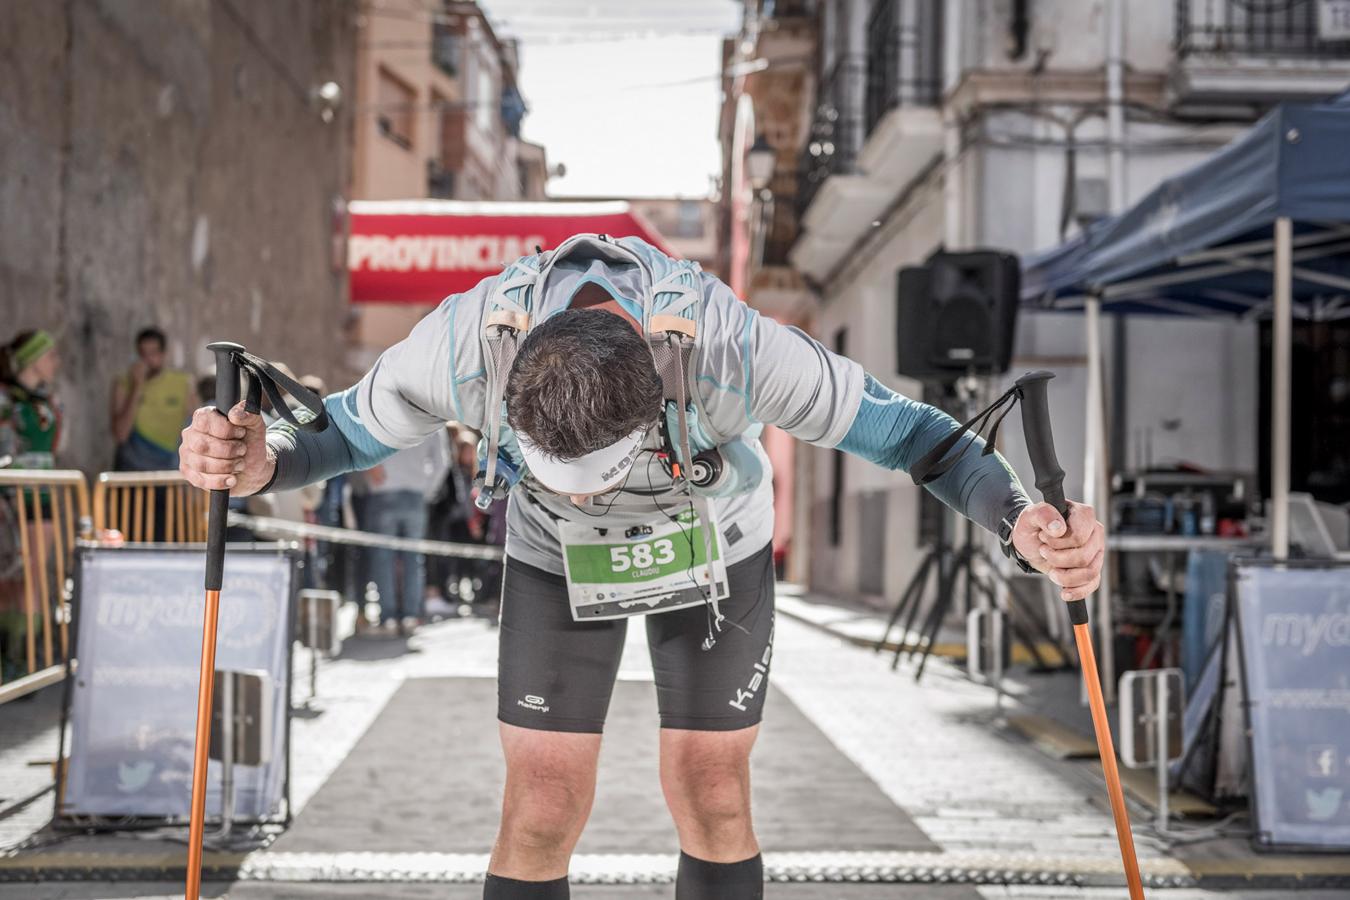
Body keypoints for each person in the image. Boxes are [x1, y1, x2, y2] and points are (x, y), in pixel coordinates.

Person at [178, 235, 1107, 900]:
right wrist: (258, 461)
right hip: (551, 559)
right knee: (542, 800)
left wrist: (1023, 518)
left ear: (662, 400)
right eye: (560, 472)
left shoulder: (736, 350)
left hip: (713, 544)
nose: (588, 493)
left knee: (710, 787)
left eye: (603, 474)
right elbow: (334, 429)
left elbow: (919, 439)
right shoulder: (463, 342)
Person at [0, 329, 62, 681]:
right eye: (49, 355)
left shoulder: (47, 399)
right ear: (33, 359)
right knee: (16, 574)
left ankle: (27, 655)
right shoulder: (7, 398)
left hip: (43, 491)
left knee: (37, 572)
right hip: (13, 493)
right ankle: (14, 654)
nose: (55, 362)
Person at [360, 430, 451, 634]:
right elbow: (443, 463)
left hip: (383, 492)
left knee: (383, 559)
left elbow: (363, 443)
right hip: (415, 496)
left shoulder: (381, 404)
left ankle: (389, 618)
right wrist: (426, 491)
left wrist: (370, 473)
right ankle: (410, 616)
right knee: (413, 559)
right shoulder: (434, 418)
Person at [110, 327, 196, 471]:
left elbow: (196, 427)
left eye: (153, 353)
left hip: (167, 468)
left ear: (163, 354)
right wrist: (137, 387)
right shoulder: (123, 384)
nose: (147, 359)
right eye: (143, 354)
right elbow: (120, 434)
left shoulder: (183, 384)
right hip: (131, 469)